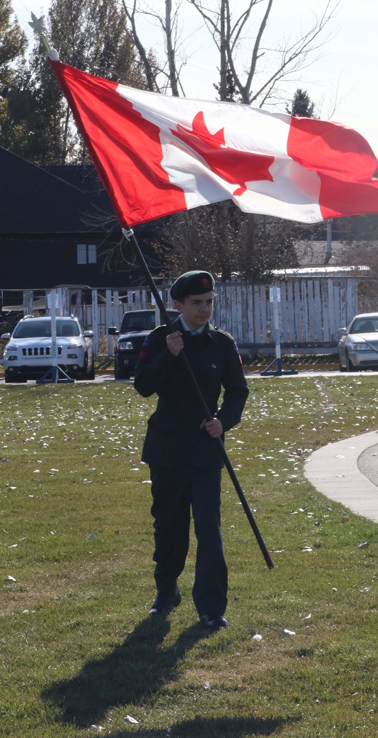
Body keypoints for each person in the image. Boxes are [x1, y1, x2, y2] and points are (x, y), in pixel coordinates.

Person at [134, 270, 249, 630]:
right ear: (178, 305)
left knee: (208, 527)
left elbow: (237, 392)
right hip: (167, 447)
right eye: (197, 303)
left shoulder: (222, 344)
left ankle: (211, 607)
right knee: (169, 525)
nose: (205, 309)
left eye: (210, 302)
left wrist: (223, 422)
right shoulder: (160, 338)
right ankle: (166, 592)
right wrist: (168, 355)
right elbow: (143, 387)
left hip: (205, 447)